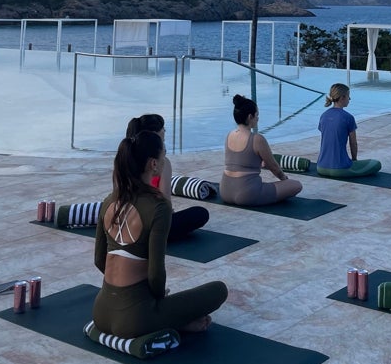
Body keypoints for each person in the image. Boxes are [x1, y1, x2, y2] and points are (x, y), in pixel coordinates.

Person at [92, 131, 227, 338]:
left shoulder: (109, 200)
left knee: (161, 306)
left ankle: (166, 319)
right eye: (164, 155)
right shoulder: (158, 206)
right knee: (219, 290)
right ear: (153, 164)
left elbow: (99, 260)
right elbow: (156, 274)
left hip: (100, 312)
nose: (165, 160)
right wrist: (154, 298)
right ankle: (172, 322)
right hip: (134, 319)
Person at [126, 114, 209, 241]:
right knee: (200, 213)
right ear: (154, 133)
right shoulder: (161, 162)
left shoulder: (126, 157)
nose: (165, 131)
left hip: (126, 225)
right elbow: (165, 202)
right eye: (163, 128)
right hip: (149, 227)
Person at [220, 94, 302, 206]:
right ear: (250, 117)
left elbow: (240, 161)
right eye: (257, 115)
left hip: (225, 191)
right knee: (296, 185)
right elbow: (274, 167)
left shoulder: (229, 135)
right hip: (247, 194)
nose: (258, 118)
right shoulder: (257, 139)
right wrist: (284, 179)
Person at [316, 83, 382, 177]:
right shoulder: (348, 117)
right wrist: (354, 160)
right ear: (342, 98)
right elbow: (353, 143)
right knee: (376, 164)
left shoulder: (324, 116)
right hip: (340, 169)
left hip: (321, 167)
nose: (349, 99)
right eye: (348, 96)